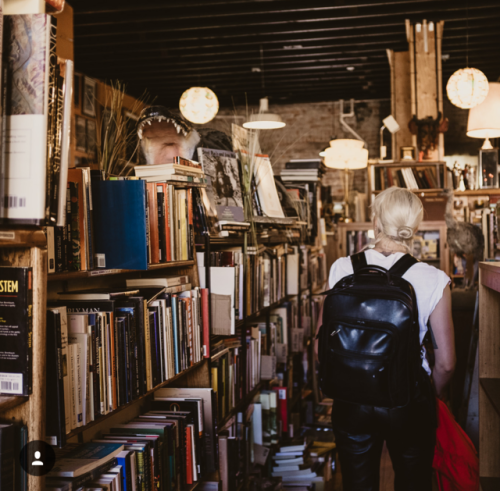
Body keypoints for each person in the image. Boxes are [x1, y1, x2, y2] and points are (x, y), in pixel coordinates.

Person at [316, 186, 456, 491]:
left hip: (351, 398)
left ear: (375, 220)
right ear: (415, 226)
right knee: (413, 483)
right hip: (408, 401)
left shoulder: (342, 268)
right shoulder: (434, 279)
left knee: (357, 484)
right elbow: (445, 364)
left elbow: (321, 343)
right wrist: (436, 397)